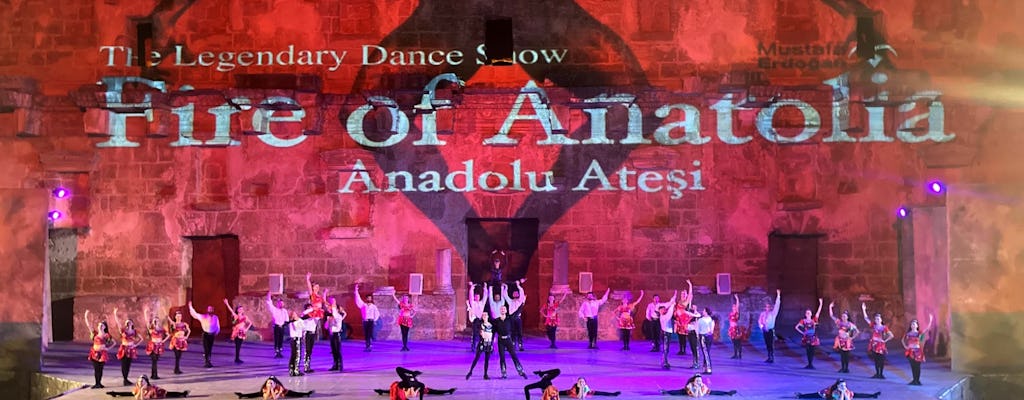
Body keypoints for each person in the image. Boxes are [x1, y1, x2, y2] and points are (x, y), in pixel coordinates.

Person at [373, 367, 456, 399]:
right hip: (407, 388)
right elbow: (398, 369)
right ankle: (381, 391)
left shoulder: (417, 384)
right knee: (392, 391)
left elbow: (433, 391)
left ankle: (448, 391)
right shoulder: (408, 380)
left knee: (433, 391)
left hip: (412, 388)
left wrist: (448, 391)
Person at [493, 305, 528, 379]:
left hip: (508, 340)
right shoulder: (496, 321)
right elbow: (493, 331)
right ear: (500, 311)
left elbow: (517, 312)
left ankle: (520, 371)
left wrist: (522, 303)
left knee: (514, 355)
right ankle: (504, 373)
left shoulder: (510, 319)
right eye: (501, 309)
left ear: (506, 311)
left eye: (504, 309)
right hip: (501, 341)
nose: (502, 310)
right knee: (502, 357)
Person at [85, 310, 116, 389]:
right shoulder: (95, 333)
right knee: (96, 368)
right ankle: (96, 383)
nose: (100, 326)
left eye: (102, 325)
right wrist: (86, 315)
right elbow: (88, 325)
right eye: (99, 325)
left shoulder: (106, 335)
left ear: (105, 327)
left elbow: (114, 342)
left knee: (100, 368)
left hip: (102, 353)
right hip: (94, 353)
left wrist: (107, 348)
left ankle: (99, 383)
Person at [113, 308, 144, 386]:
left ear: (132, 324)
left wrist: (135, 345)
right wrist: (115, 313)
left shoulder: (134, 331)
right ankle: (125, 379)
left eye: (130, 322)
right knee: (124, 363)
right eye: (127, 322)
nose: (129, 323)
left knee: (128, 364)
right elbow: (118, 323)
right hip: (124, 349)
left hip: (131, 349)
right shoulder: (123, 330)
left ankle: (126, 379)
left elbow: (141, 339)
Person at [861, 303, 894, 379]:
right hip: (874, 345)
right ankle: (877, 373)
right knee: (876, 360)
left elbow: (891, 335)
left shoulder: (884, 327)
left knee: (881, 360)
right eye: (876, 319)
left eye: (878, 319)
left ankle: (881, 374)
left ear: (881, 319)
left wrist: (885, 341)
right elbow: (866, 318)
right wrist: (863, 309)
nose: (877, 320)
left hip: (881, 345)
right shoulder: (873, 325)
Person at [903, 314, 934, 385]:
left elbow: (927, 329)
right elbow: (903, 340)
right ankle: (914, 380)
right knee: (912, 366)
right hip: (910, 351)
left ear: (917, 325)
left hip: (917, 351)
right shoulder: (908, 333)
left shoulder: (919, 333)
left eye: (914, 324)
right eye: (912, 324)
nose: (913, 325)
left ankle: (917, 380)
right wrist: (906, 346)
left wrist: (930, 320)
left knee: (917, 366)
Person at [187, 301, 220, 369]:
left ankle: (209, 361)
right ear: (207, 310)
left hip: (212, 335)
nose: (210, 310)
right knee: (206, 348)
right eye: (209, 309)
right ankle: (206, 361)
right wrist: (190, 307)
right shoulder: (203, 316)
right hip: (205, 335)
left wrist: (217, 332)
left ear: (213, 310)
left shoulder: (215, 317)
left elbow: (217, 325)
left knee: (210, 348)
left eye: (211, 309)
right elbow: (195, 314)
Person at [828, 302, 859, 373]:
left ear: (847, 317)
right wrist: (830, 307)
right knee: (842, 355)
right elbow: (831, 315)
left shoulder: (850, 324)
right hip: (840, 341)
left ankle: (846, 368)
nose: (843, 317)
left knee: (847, 355)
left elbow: (857, 331)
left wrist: (852, 337)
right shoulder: (839, 322)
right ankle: (842, 368)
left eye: (844, 316)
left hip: (847, 341)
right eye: (842, 316)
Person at [795, 298, 824, 369]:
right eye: (807, 313)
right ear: (805, 314)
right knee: (808, 351)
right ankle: (809, 363)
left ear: (811, 314)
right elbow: (796, 327)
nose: (808, 314)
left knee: (812, 350)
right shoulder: (803, 321)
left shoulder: (814, 320)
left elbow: (818, 312)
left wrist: (820, 303)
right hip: (807, 337)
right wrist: (802, 333)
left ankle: (811, 363)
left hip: (813, 337)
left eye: (809, 312)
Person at [105, 375, 189, 398]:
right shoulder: (138, 385)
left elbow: (142, 399)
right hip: (143, 391)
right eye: (139, 381)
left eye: (142, 381)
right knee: (130, 393)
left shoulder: (150, 389)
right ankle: (115, 393)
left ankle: (182, 394)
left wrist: (142, 390)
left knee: (168, 394)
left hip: (153, 392)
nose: (140, 382)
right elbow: (136, 397)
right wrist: (140, 389)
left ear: (145, 381)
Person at [466, 311, 494, 380]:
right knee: (476, 358)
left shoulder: (491, 325)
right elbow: (482, 334)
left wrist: (491, 344)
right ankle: (470, 372)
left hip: (488, 344)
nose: (484, 316)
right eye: (483, 315)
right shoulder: (480, 325)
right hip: (482, 343)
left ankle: (485, 374)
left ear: (488, 316)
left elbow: (491, 335)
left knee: (487, 360)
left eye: (485, 315)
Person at [223, 298, 253, 364]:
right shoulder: (236, 316)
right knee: (237, 345)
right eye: (239, 309)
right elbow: (231, 310)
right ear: (237, 310)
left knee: (239, 345)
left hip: (242, 332)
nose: (241, 310)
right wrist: (227, 303)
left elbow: (250, 323)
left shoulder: (245, 317)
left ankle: (237, 358)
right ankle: (237, 358)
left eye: (242, 309)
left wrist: (246, 329)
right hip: (236, 332)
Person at [654, 291, 678, 369]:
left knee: (666, 348)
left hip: (667, 333)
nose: (664, 310)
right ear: (660, 311)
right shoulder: (663, 317)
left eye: (664, 309)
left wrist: (674, 296)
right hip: (665, 334)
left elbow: (669, 305)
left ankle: (664, 361)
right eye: (663, 309)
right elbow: (670, 313)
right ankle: (664, 362)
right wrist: (672, 305)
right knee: (665, 348)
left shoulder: (663, 315)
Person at [143, 308, 169, 380]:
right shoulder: (151, 328)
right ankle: (155, 375)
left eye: (157, 320)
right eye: (155, 320)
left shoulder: (161, 329)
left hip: (159, 345)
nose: (156, 321)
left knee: (156, 360)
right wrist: (145, 313)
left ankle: (153, 374)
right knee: (154, 360)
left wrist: (163, 341)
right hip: (153, 345)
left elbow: (168, 335)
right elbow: (146, 321)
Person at [354, 283, 381, 352]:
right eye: (368, 298)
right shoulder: (363, 305)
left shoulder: (373, 306)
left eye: (370, 298)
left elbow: (377, 313)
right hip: (365, 321)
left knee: (370, 333)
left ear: (371, 299)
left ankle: (369, 345)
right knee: (366, 334)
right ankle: (367, 345)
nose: (369, 299)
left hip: (371, 321)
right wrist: (356, 290)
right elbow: (358, 299)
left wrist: (375, 320)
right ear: (366, 299)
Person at [235, 376, 313, 399]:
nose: (269, 383)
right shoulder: (265, 388)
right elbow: (266, 398)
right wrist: (269, 389)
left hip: (279, 392)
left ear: (275, 383)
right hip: (269, 393)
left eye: (271, 382)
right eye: (268, 382)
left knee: (293, 393)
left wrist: (278, 391)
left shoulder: (279, 387)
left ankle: (306, 394)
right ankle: (242, 395)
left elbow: (275, 398)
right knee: (256, 394)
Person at [758, 289, 782, 363]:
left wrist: (778, 296)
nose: (767, 308)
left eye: (769, 307)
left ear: (770, 307)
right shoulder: (763, 314)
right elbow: (759, 321)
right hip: (765, 330)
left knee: (771, 344)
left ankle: (772, 356)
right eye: (766, 307)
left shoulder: (773, 313)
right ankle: (769, 356)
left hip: (771, 330)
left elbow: (777, 306)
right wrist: (762, 327)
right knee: (767, 343)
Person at [661, 374, 738, 397]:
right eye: (697, 381)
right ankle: (666, 392)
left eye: (700, 381)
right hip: (689, 391)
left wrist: (699, 387)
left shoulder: (703, 386)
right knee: (678, 392)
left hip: (700, 391)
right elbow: (695, 396)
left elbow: (700, 396)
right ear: (693, 381)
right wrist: (697, 388)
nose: (699, 382)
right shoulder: (689, 386)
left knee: (714, 392)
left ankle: (728, 393)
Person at [795, 379, 881, 399]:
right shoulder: (834, 391)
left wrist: (844, 391)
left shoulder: (844, 389)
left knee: (857, 394)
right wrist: (842, 392)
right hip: (830, 397)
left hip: (841, 395)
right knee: (815, 395)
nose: (844, 386)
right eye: (842, 385)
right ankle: (801, 396)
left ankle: (873, 395)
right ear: (838, 386)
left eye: (845, 385)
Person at [673, 280, 695, 357]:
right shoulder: (679, 301)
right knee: (680, 336)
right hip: (679, 320)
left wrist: (690, 285)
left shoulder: (686, 301)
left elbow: (690, 294)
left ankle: (684, 350)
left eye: (684, 294)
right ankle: (681, 349)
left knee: (684, 336)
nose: (683, 294)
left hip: (683, 321)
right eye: (682, 293)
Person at [265, 292, 289, 359]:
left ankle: (280, 352)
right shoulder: (274, 310)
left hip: (282, 327)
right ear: (278, 304)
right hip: (276, 326)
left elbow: (286, 320)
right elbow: (269, 303)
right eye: (280, 303)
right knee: (276, 339)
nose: (281, 304)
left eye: (282, 303)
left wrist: (284, 325)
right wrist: (269, 294)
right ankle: (276, 352)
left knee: (281, 340)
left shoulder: (284, 311)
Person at [505, 279, 527, 351]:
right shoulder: (510, 301)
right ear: (512, 295)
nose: (515, 294)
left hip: (517, 318)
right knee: (512, 332)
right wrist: (505, 288)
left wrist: (518, 285)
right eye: (514, 293)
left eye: (516, 293)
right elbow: (505, 295)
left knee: (519, 332)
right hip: (511, 318)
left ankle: (520, 345)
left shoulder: (520, 301)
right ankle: (513, 344)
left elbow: (522, 292)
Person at [326, 297, 347, 372]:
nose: (331, 310)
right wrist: (328, 321)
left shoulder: (338, 316)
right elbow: (326, 327)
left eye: (333, 309)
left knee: (338, 350)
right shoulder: (331, 317)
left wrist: (333, 303)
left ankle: (340, 365)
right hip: (332, 335)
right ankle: (335, 364)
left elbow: (335, 313)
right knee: (333, 350)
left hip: (336, 335)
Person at [166, 311, 190, 375]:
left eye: (180, 316)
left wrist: (186, 337)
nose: (179, 317)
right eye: (178, 316)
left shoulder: (184, 324)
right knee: (177, 355)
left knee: (179, 356)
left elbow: (189, 330)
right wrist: (165, 313)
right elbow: (169, 319)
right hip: (176, 341)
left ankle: (177, 369)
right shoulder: (174, 324)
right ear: (175, 317)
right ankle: (176, 369)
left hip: (182, 340)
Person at [727, 295, 749, 360]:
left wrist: (737, 299)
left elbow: (738, 306)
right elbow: (730, 321)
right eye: (733, 306)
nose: (733, 307)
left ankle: (739, 354)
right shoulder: (731, 314)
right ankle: (735, 354)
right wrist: (729, 329)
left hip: (736, 329)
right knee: (734, 342)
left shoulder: (737, 313)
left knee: (738, 342)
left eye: (734, 306)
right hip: (731, 329)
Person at [467, 282, 487, 351]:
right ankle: (473, 346)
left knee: (482, 334)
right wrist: (472, 288)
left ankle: (482, 346)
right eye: (476, 297)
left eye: (478, 297)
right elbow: (470, 296)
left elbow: (485, 296)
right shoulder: (473, 303)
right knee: (475, 333)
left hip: (481, 319)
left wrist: (485, 288)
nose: (477, 298)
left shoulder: (482, 303)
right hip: (476, 320)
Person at [695, 307, 715, 374]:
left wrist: (698, 335)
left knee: (706, 353)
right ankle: (705, 367)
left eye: (703, 311)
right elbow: (711, 330)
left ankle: (708, 368)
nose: (702, 312)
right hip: (708, 336)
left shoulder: (702, 320)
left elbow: (697, 329)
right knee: (706, 352)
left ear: (706, 312)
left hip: (704, 337)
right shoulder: (710, 320)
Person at [299, 303, 318, 373]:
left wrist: (315, 310)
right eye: (309, 308)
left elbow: (319, 316)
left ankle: (308, 365)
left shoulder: (314, 317)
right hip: (307, 333)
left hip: (312, 334)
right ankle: (306, 367)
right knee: (307, 350)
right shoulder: (305, 316)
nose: (310, 309)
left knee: (310, 350)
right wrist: (312, 309)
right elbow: (303, 313)